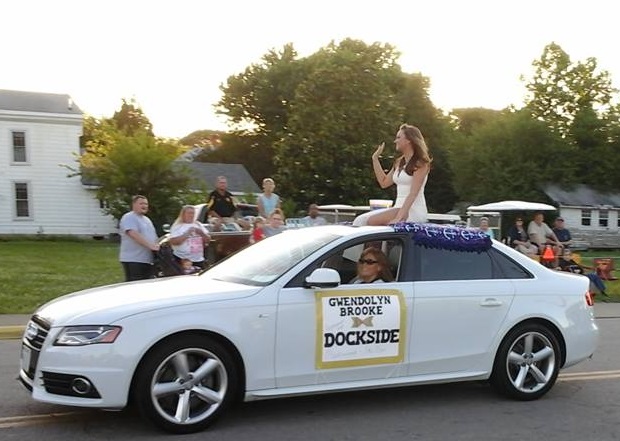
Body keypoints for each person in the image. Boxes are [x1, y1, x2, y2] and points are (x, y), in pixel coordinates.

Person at [353, 124, 431, 226]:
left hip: (412, 210)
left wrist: (399, 217)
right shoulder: (399, 162)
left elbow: (413, 194)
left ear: (409, 140)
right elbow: (384, 182)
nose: (395, 141)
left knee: (372, 221)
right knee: (360, 220)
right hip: (398, 208)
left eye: (398, 137)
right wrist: (375, 159)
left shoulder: (420, 164)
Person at [119, 195, 160, 282]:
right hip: (134, 259)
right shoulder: (129, 217)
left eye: (146, 204)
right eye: (141, 203)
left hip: (147, 259)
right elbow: (132, 233)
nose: (144, 206)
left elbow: (153, 237)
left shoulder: (147, 220)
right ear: (133, 204)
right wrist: (150, 246)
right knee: (134, 285)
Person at [168, 205, 211, 269]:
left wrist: (201, 233)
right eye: (189, 213)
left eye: (193, 213)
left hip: (198, 259)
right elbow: (173, 242)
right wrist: (187, 234)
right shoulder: (177, 226)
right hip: (183, 259)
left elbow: (208, 240)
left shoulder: (198, 224)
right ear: (183, 214)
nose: (191, 215)